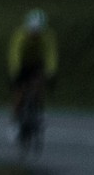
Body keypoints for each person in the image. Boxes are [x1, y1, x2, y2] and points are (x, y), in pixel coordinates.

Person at [9, 9, 58, 144]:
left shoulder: (47, 36)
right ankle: (15, 124)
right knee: (19, 93)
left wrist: (51, 72)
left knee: (39, 85)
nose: (35, 34)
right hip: (22, 64)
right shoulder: (20, 35)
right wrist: (16, 72)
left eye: (38, 31)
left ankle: (39, 112)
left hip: (37, 63)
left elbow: (50, 55)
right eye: (32, 31)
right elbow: (15, 54)